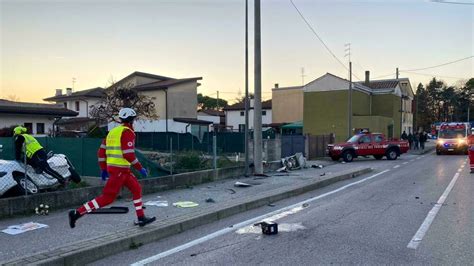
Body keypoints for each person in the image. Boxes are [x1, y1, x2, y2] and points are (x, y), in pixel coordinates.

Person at [68, 108, 156, 228]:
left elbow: (101, 152)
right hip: (119, 171)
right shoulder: (127, 132)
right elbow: (128, 154)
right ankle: (77, 213)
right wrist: (140, 168)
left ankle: (141, 217)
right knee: (107, 198)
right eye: (134, 120)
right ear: (131, 120)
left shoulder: (113, 132)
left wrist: (103, 169)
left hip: (121, 170)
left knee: (136, 189)